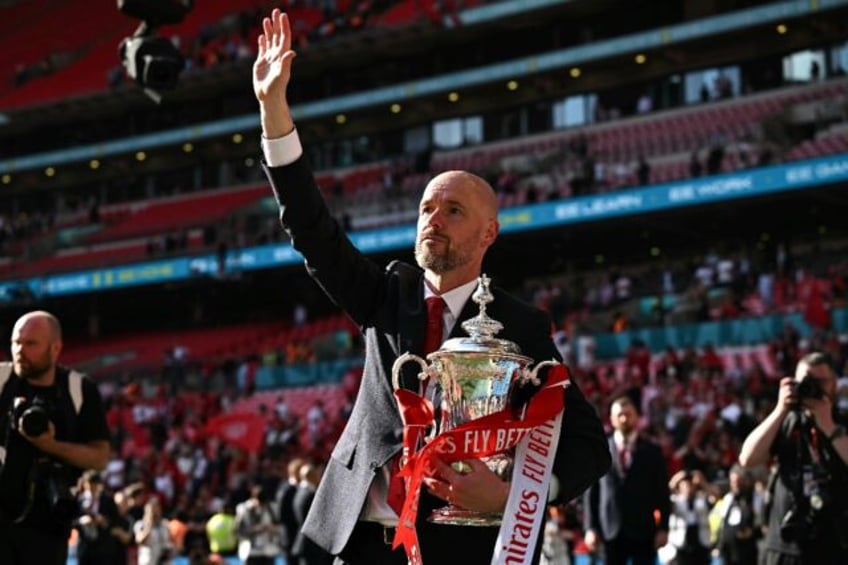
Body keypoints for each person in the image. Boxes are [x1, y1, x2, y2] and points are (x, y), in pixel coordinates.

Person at [253, 9, 610, 565]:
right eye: (425, 208)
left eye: (453, 209)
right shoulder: (386, 293)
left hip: (455, 545)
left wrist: (516, 493)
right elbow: (310, 229)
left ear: (489, 232)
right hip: (358, 537)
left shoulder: (518, 326)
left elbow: (588, 445)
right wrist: (274, 112)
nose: (432, 219)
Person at [0, 310, 111, 564]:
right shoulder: (1, 380)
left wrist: (50, 446)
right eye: (16, 342)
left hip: (50, 523)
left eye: (30, 343)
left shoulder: (79, 390)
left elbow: (100, 457)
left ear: (55, 348)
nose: (19, 350)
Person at [738, 351, 848, 564]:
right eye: (805, 381)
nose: (812, 388)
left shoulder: (842, 423)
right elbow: (747, 459)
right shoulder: (787, 422)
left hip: (835, 546)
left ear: (834, 383)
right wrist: (780, 409)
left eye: (820, 382)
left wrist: (828, 426)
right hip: (785, 547)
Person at [583, 395, 670, 565]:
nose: (624, 418)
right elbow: (591, 493)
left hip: (644, 532)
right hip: (609, 532)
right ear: (612, 419)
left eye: (628, 414)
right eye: (619, 415)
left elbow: (662, 492)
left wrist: (663, 528)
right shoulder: (601, 450)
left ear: (637, 416)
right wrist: (590, 528)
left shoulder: (652, 451)